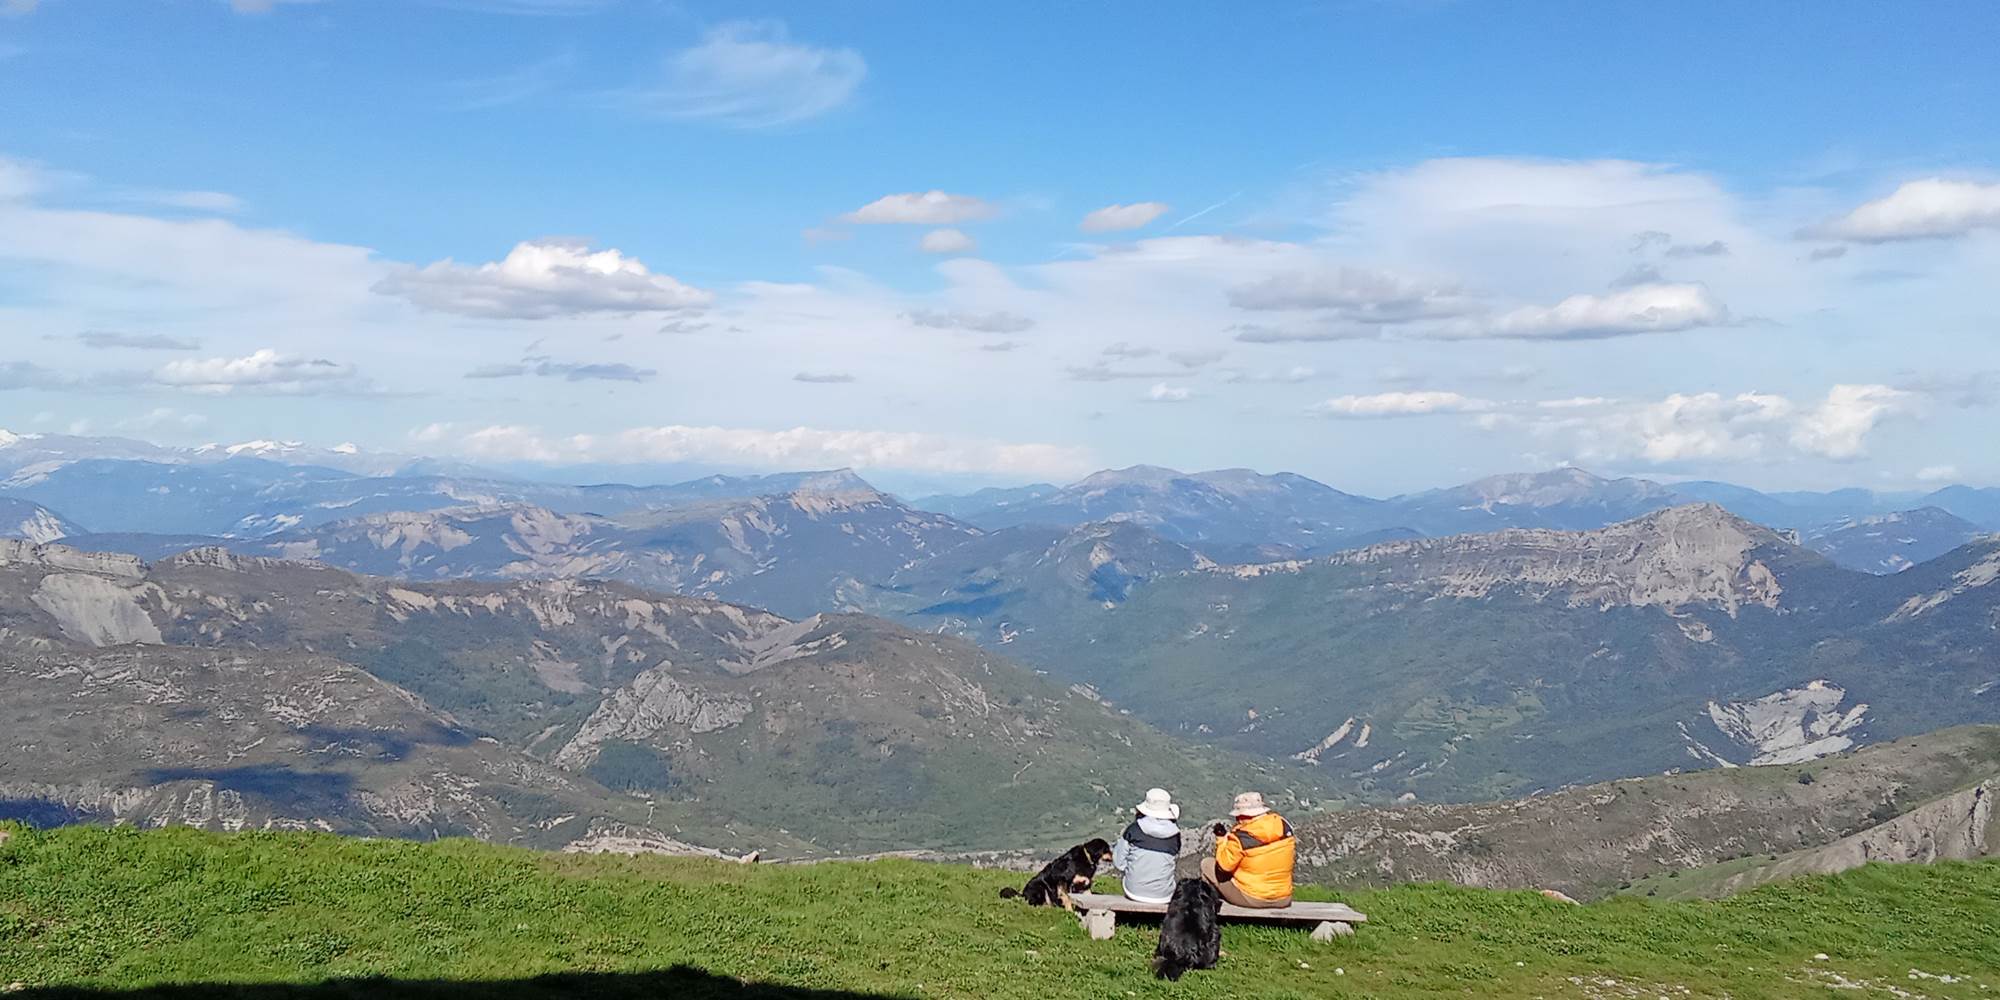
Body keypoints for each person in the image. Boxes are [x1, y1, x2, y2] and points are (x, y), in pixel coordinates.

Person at [1200, 791, 1295, 909]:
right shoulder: (1284, 825)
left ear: (1243, 815)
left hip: (1253, 898)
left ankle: (1208, 910)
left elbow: (1224, 867)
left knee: (1207, 864)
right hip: (1283, 898)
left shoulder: (1241, 838)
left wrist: (1221, 840)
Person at [1111, 788, 1182, 904]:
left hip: (1133, 891)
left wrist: (1133, 869)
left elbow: (1119, 862)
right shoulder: (1175, 835)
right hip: (1163, 895)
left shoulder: (1133, 830)